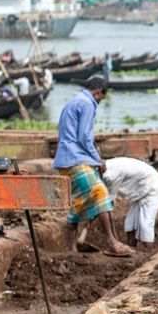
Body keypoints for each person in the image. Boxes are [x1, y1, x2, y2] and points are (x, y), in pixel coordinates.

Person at [52, 77, 132, 257]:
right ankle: (112, 243)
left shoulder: (73, 102)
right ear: (98, 92)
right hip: (75, 159)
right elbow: (84, 138)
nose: (100, 101)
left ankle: (71, 249)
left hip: (64, 160)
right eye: (101, 98)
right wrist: (98, 160)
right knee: (100, 192)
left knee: (78, 203)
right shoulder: (87, 104)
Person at [102, 157, 158, 250]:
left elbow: (107, 205)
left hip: (152, 188)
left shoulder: (111, 175)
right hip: (140, 191)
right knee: (130, 223)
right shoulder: (106, 167)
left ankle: (149, 253)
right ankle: (132, 249)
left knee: (146, 225)